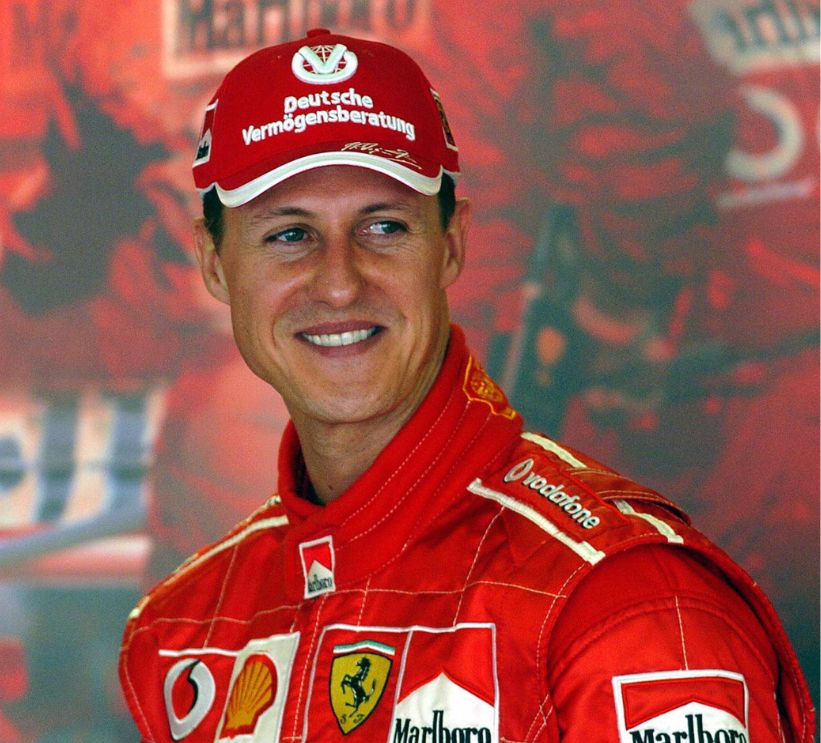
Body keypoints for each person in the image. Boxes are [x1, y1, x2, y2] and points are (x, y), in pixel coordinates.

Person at [117, 29, 814, 742]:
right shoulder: (184, 627)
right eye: (288, 235)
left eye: (382, 226)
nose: (336, 281)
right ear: (214, 264)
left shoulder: (622, 603)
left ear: (450, 245)